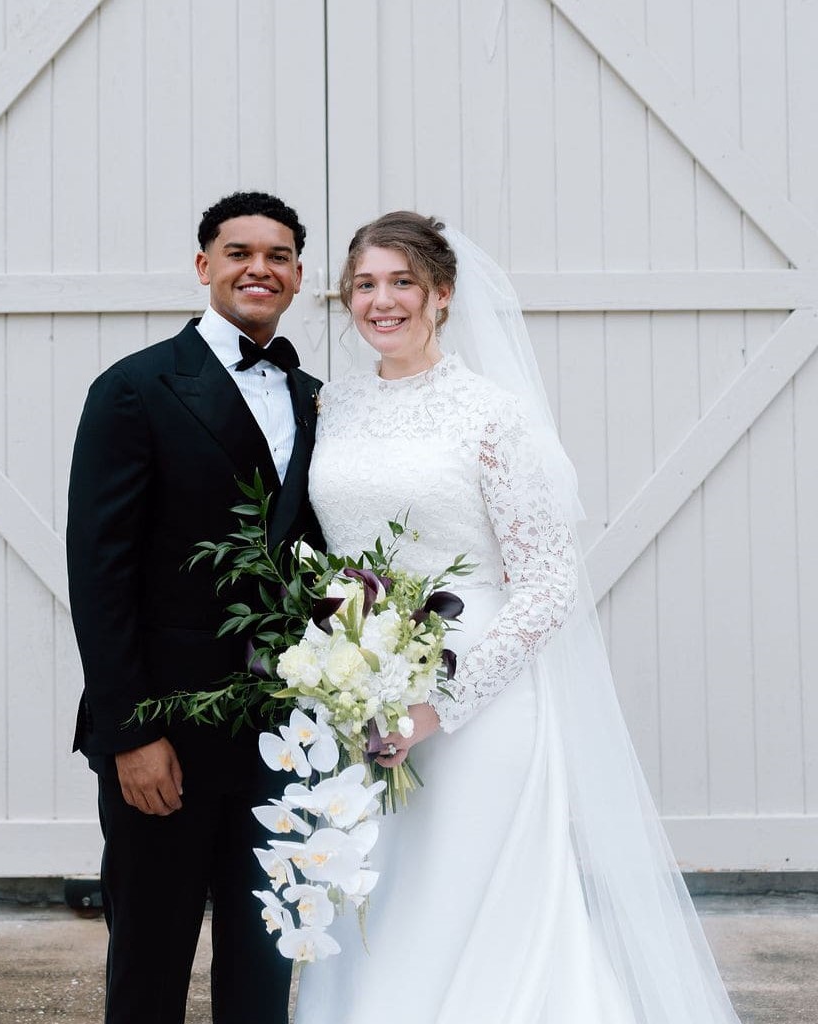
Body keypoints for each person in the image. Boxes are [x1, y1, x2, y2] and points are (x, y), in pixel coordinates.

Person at [296, 211, 741, 1023]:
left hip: (478, 699)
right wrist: (343, 672)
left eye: (402, 283)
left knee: (466, 900)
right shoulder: (334, 407)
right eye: (365, 284)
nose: (381, 301)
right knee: (375, 901)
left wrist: (439, 705)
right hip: (359, 693)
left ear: (442, 295)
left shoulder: (491, 416)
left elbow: (545, 586)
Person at [66, 191, 324, 1024]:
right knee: (151, 953)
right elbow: (99, 575)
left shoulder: (317, 398)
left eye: (279, 255)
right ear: (203, 264)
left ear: (296, 277)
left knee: (263, 951)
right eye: (240, 251)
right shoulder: (135, 389)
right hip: (168, 724)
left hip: (286, 731)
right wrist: (131, 734)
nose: (260, 268)